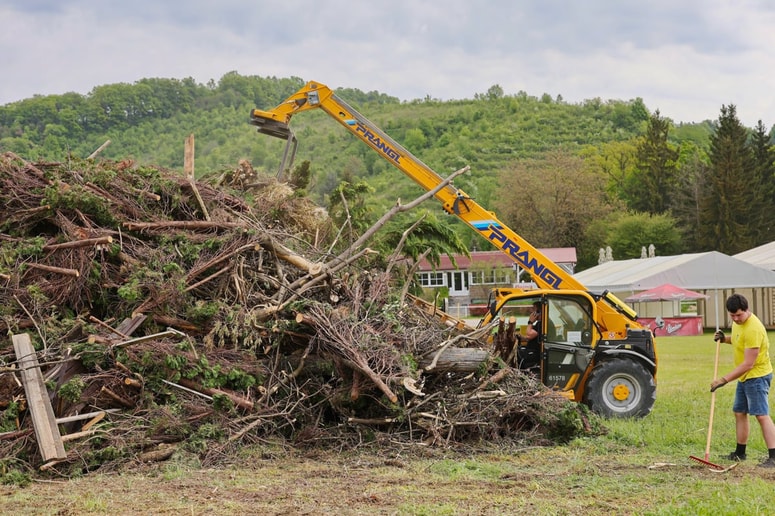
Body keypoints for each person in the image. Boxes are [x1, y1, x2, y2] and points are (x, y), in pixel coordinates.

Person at [710, 293, 775, 468]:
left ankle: (774, 456)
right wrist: (725, 339)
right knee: (739, 412)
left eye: (739, 315)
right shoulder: (738, 324)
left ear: (747, 310)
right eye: (732, 316)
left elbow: (748, 364)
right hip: (745, 376)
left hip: (757, 376)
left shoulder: (754, 328)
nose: (736, 319)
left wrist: (723, 380)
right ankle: (740, 453)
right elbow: (740, 340)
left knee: (761, 415)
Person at [516, 301, 542, 371]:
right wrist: (520, 337)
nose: (531, 311)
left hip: (535, 353)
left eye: (533, 309)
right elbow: (528, 338)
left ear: (538, 312)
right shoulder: (539, 324)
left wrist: (530, 322)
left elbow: (529, 334)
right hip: (532, 351)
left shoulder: (541, 324)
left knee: (517, 356)